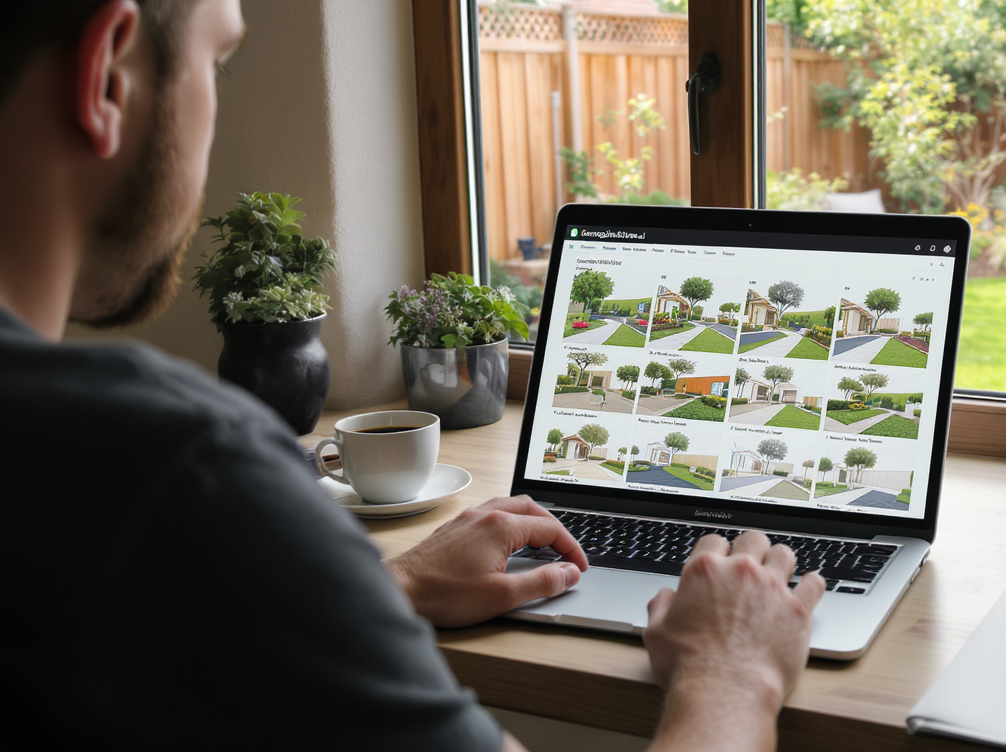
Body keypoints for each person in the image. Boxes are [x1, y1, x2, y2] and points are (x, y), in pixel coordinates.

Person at [0, 1, 825, 750]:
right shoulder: (176, 478)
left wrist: (376, 587)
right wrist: (732, 674)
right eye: (218, 64)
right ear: (108, 76)